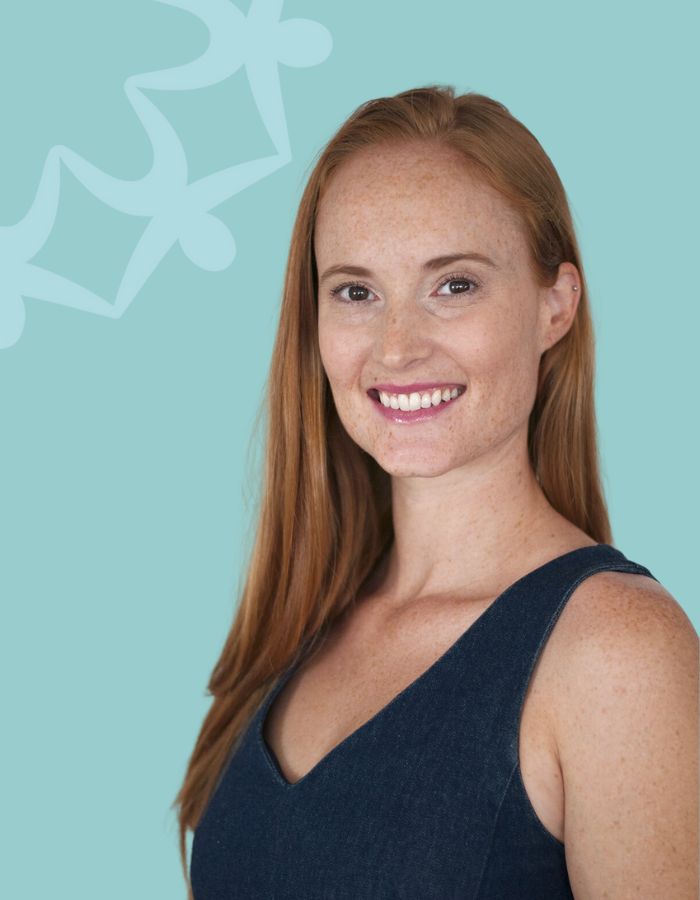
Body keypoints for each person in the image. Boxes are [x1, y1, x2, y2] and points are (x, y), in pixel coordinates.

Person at [174, 86, 699, 898]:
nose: (396, 348)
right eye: (356, 292)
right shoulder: (299, 626)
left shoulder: (616, 655)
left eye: (453, 285)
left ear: (556, 305)